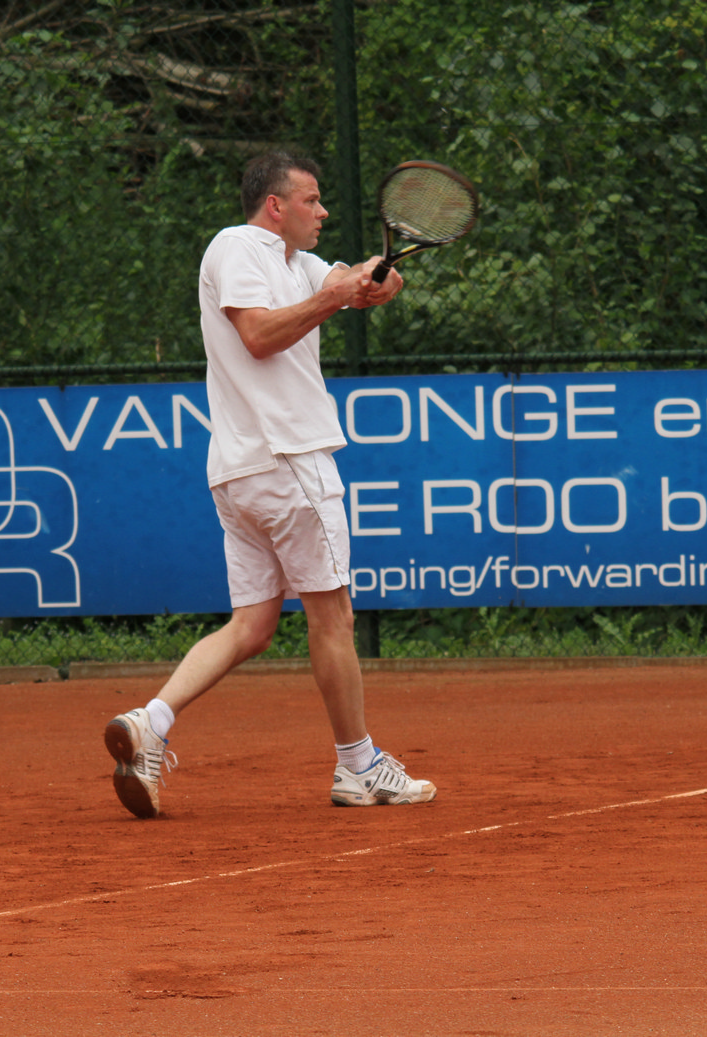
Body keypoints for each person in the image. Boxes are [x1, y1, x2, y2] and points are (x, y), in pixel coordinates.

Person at [103, 151, 437, 818]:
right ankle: (359, 767)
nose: (323, 212)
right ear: (275, 206)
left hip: (245, 473)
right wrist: (334, 296)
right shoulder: (237, 246)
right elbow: (257, 335)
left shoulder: (297, 264)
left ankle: (149, 724)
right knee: (333, 617)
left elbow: (346, 281)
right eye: (312, 200)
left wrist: (374, 281)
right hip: (287, 462)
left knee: (253, 625)